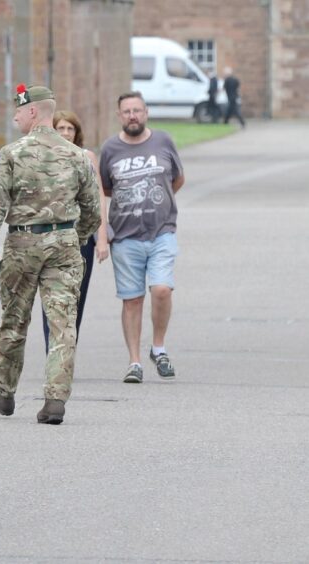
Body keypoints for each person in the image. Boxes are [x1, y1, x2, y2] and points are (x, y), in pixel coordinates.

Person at [0, 84, 101, 425]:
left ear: (33, 112)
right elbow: (92, 209)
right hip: (64, 243)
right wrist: (75, 237)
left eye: (18, 110)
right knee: (63, 324)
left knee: (14, 319)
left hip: (22, 245)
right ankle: (55, 399)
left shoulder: (12, 154)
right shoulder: (77, 155)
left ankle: (3, 388)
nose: (15, 115)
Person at [99, 91, 185, 384]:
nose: (132, 116)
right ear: (119, 116)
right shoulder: (110, 149)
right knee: (132, 300)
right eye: (127, 111)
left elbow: (177, 178)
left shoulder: (163, 141)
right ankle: (134, 361)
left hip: (162, 231)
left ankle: (158, 347)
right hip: (125, 237)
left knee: (161, 289)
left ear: (146, 112)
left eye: (137, 110)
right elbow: (105, 188)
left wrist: (158, 203)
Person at [40, 110, 110, 353]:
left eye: (70, 129)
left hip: (81, 238)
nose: (66, 133)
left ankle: (67, 350)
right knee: (51, 296)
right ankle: (53, 350)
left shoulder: (87, 156)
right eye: (61, 128)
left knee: (76, 297)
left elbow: (98, 196)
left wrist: (102, 238)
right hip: (51, 237)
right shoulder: (44, 156)